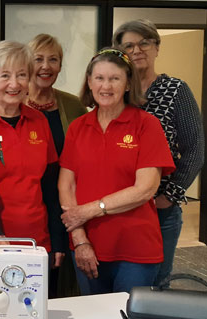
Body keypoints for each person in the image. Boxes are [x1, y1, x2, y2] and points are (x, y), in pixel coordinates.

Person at [58, 48, 175, 295]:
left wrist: (88, 211)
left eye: (115, 78)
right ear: (89, 82)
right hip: (88, 245)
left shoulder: (147, 125)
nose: (106, 86)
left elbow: (145, 189)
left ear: (128, 84)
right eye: (99, 78)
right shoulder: (78, 128)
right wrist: (80, 240)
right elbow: (66, 186)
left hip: (136, 250)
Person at [113, 19, 204, 286]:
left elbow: (195, 147)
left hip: (157, 209)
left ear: (156, 47)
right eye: (129, 45)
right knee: (120, 282)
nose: (137, 50)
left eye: (144, 43)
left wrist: (169, 196)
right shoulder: (116, 91)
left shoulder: (175, 90)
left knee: (154, 284)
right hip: (117, 207)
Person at [0, 41, 60, 261]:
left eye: (22, 75)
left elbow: (51, 187)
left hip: (36, 242)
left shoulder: (39, 121)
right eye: (5, 76)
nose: (14, 84)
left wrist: (57, 241)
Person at [27, 34, 87, 298]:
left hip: (63, 203)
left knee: (61, 284)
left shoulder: (73, 106)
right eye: (38, 59)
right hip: (25, 207)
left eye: (53, 59)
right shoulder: (11, 102)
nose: (46, 66)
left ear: (60, 66)